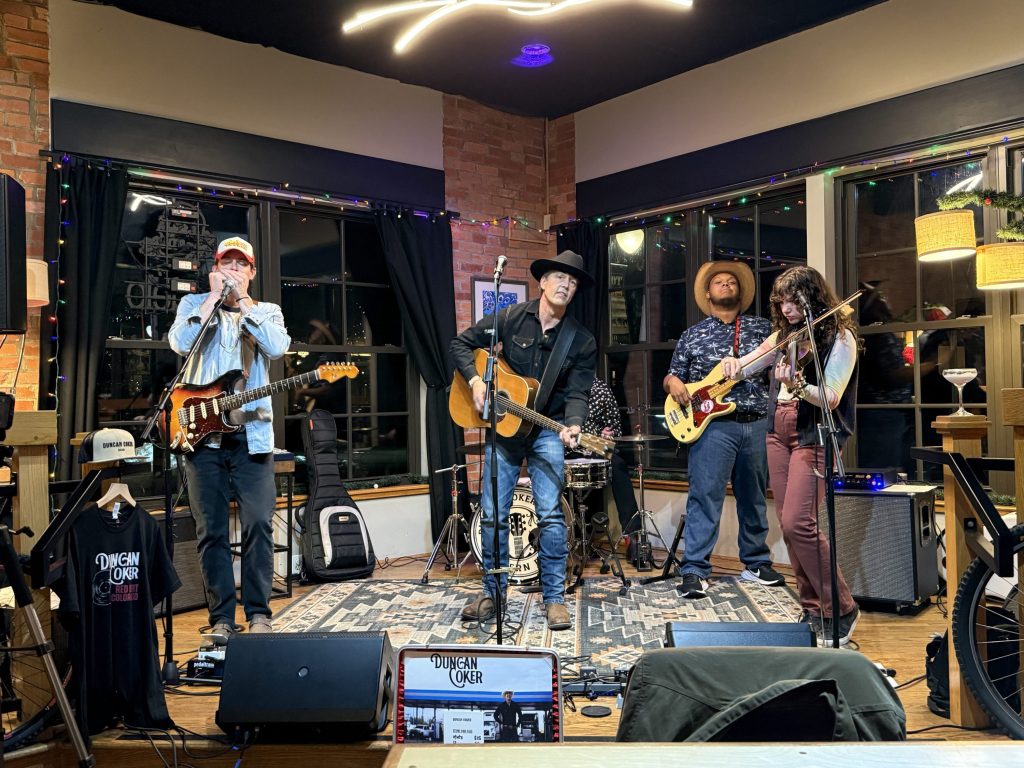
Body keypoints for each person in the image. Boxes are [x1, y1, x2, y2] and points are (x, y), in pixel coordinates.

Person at [450, 250, 596, 631]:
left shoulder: (580, 340)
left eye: (574, 282)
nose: (566, 285)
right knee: (495, 514)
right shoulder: (511, 319)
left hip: (549, 429)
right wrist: (477, 380)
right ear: (543, 282)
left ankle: (554, 599)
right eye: (560, 278)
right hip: (504, 432)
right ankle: (492, 594)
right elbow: (460, 345)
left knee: (549, 514)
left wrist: (574, 424)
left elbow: (579, 392)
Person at [722, 265, 860, 646]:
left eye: (793, 299)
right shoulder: (783, 337)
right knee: (787, 524)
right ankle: (813, 607)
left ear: (813, 296)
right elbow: (751, 363)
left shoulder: (839, 338)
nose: (785, 308)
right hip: (777, 433)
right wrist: (735, 366)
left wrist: (797, 384)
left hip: (812, 431)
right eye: (780, 301)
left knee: (800, 523)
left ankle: (842, 606)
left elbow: (831, 398)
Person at [168, 236, 291, 643]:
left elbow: (277, 348)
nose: (234, 270)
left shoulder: (267, 311)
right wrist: (211, 302)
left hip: (252, 438)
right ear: (215, 268)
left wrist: (243, 306)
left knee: (258, 523)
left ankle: (258, 612)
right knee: (212, 531)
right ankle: (221, 617)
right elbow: (178, 344)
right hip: (202, 438)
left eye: (242, 265)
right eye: (227, 264)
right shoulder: (193, 307)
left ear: (252, 272)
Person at [664, 261, 785, 599]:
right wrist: (674, 382)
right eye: (719, 281)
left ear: (741, 292)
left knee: (754, 497)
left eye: (732, 281)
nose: (726, 284)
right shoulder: (693, 334)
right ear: (708, 293)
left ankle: (756, 563)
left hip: (756, 422)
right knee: (704, 496)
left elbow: (780, 363)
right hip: (711, 427)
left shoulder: (763, 330)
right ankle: (695, 569)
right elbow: (672, 374)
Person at [576, 378, 639, 543]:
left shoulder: (600, 388)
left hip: (595, 444)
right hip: (564, 445)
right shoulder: (558, 387)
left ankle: (632, 535)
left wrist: (608, 435)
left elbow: (615, 429)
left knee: (618, 464)